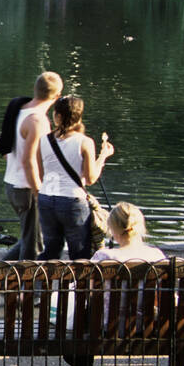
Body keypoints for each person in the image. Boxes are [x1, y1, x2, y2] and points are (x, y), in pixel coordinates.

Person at [60, 202, 165, 366]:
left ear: (113, 229)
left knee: (88, 311)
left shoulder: (105, 256)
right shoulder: (156, 255)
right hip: (147, 324)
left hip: (107, 325)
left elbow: (79, 287)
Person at [37, 96, 114, 262]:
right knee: (80, 255)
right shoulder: (85, 142)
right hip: (72, 201)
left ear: (56, 115)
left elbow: (41, 174)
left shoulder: (43, 141)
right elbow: (91, 178)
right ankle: (78, 287)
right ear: (79, 116)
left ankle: (45, 286)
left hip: (46, 198)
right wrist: (103, 156)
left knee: (50, 251)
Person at [0, 72, 62, 262]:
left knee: (29, 238)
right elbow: (29, 161)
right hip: (26, 189)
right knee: (34, 245)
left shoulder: (18, 109)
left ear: (35, 89)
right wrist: (39, 192)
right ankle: (26, 290)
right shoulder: (38, 120)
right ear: (57, 96)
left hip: (12, 183)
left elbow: (1, 144)